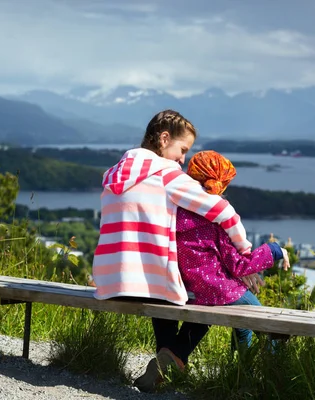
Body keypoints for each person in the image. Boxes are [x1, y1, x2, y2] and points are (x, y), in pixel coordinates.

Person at [91, 110, 258, 393]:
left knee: (166, 287)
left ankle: (165, 363)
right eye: (182, 150)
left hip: (110, 283)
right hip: (150, 283)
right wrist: (245, 252)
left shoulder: (113, 173)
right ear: (164, 138)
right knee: (209, 293)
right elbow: (223, 211)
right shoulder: (167, 174)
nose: (183, 159)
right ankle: (177, 355)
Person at [176, 150, 291, 349]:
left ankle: (240, 368)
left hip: (189, 289)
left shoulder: (177, 213)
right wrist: (276, 250)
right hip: (218, 289)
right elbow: (238, 265)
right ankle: (274, 368)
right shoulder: (214, 220)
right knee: (266, 324)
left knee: (243, 326)